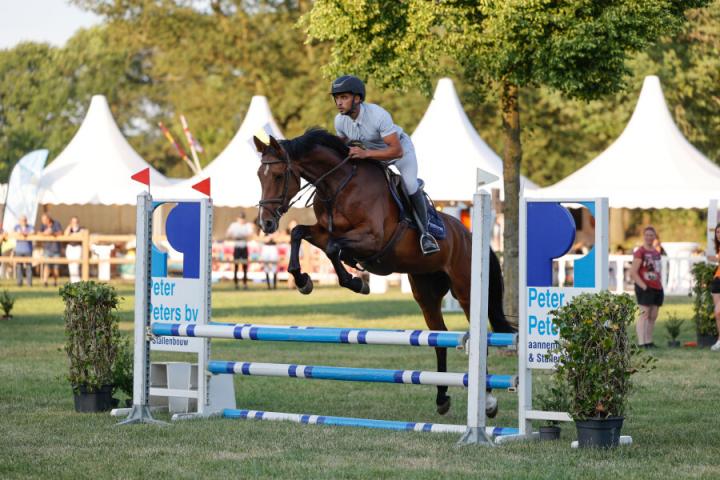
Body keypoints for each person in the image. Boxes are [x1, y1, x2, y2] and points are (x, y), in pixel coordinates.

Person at [331, 74, 439, 255]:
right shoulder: (340, 121)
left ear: (357, 99)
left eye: (344, 97)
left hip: (400, 152)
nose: (339, 103)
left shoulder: (378, 115)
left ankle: (425, 234)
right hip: (373, 156)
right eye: (337, 98)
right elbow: (342, 147)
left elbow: (396, 151)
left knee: (409, 184)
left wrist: (365, 154)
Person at [630, 226, 664, 348]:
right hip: (644, 287)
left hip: (657, 287)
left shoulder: (656, 252)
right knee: (644, 315)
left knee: (653, 316)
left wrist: (660, 285)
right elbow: (633, 272)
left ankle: (649, 341)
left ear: (655, 237)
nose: (649, 237)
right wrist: (644, 287)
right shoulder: (640, 252)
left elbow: (657, 270)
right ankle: (641, 342)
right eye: (647, 235)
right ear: (644, 236)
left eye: (651, 235)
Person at [225, 213, 254, 290]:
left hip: (244, 246)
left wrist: (243, 236)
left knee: (245, 266)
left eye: (243, 218)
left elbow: (251, 234)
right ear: (237, 218)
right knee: (236, 265)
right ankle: (236, 283)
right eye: (240, 218)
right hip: (237, 246)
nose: (241, 220)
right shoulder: (234, 225)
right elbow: (228, 234)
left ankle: (245, 283)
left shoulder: (247, 225)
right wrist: (234, 236)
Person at [40, 213, 62, 287]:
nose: (43, 221)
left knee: (56, 267)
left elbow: (60, 232)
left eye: (44, 220)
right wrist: (44, 233)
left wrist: (52, 233)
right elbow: (39, 232)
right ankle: (45, 282)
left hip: (56, 249)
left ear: (48, 219)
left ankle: (55, 282)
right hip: (47, 248)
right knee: (47, 266)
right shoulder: (43, 225)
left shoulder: (56, 223)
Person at [708, 223, 720, 351]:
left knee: (718, 311)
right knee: (718, 315)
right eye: (717, 232)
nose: (719, 234)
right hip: (717, 281)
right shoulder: (718, 247)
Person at [13, 215, 34, 286]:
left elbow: (33, 232)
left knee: (29, 267)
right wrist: (20, 233)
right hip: (19, 250)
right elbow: (13, 232)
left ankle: (29, 283)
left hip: (28, 250)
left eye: (24, 220)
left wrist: (25, 233)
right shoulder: (16, 227)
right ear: (19, 221)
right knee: (19, 266)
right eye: (22, 220)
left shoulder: (30, 227)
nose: (23, 222)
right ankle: (19, 282)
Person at [64, 216, 84, 283]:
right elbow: (66, 235)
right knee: (70, 265)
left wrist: (72, 235)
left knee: (76, 264)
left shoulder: (81, 229)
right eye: (73, 221)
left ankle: (77, 281)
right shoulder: (69, 229)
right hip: (70, 247)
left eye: (76, 221)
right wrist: (70, 227)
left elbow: (81, 235)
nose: (74, 223)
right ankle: (72, 281)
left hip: (77, 247)